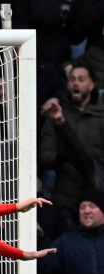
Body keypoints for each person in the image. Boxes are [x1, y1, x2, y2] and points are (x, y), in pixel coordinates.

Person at [39, 64, 104, 225]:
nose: (76, 83)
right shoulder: (55, 113)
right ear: (67, 85)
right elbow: (43, 157)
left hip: (99, 196)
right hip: (67, 198)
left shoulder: (102, 114)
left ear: (91, 85)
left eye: (81, 80)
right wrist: (59, 158)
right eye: (72, 79)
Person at [38, 190, 104, 274]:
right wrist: (38, 239)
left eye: (92, 206)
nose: (86, 211)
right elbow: (44, 266)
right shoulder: (66, 242)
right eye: (82, 207)